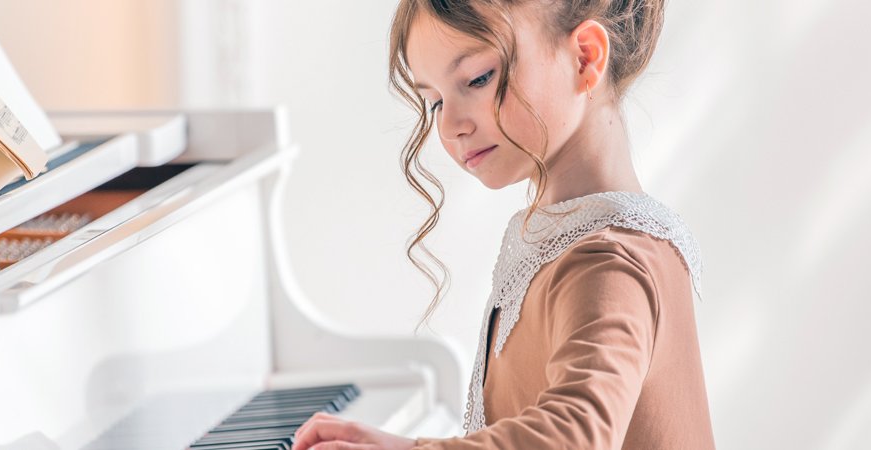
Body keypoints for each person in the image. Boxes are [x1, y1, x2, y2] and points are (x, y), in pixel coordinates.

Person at [291, 0, 714, 448]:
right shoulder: (567, 240)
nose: (450, 125)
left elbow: (573, 437)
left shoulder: (610, 262)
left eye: (477, 78)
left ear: (585, 57)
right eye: (434, 101)